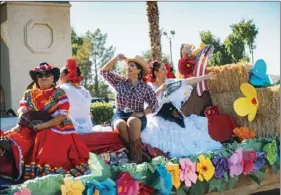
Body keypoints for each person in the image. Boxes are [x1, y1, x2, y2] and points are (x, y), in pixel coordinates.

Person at [0, 62, 90, 181]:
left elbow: (62, 115)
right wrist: (19, 124)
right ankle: (11, 159)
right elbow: (23, 110)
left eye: (47, 75)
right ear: (36, 79)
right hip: (31, 125)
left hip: (56, 125)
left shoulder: (59, 92)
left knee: (44, 138)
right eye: (40, 75)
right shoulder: (29, 93)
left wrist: (44, 125)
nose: (43, 78)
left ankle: (40, 170)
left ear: (53, 77)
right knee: (14, 136)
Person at [141, 60, 222, 158]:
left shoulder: (170, 83)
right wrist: (160, 89)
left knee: (186, 134)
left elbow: (188, 81)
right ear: (156, 72)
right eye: (163, 69)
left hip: (173, 113)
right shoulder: (149, 86)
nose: (166, 71)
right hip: (158, 117)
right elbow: (149, 100)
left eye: (166, 69)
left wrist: (206, 76)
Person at [100, 54, 158, 163]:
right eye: (128, 66)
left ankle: (137, 158)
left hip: (137, 115)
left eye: (132, 66)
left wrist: (142, 113)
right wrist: (116, 58)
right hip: (120, 114)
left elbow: (154, 104)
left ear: (139, 71)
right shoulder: (120, 82)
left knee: (132, 121)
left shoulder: (145, 87)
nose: (128, 68)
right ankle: (140, 153)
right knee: (120, 124)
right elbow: (104, 72)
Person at [59, 58, 94, 134]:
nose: (59, 78)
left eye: (60, 75)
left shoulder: (62, 88)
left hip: (72, 128)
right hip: (88, 127)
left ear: (66, 76)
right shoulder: (85, 90)